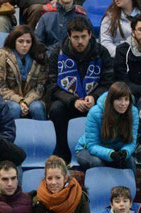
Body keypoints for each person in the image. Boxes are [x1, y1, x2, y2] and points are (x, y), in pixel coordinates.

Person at [46, 17, 114, 162]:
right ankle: (63, 154)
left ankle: (101, 150)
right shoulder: (56, 53)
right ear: (69, 36)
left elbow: (108, 83)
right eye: (76, 37)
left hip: (93, 101)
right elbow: (51, 86)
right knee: (56, 109)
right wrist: (72, 100)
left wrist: (95, 97)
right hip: (67, 101)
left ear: (90, 35)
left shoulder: (102, 53)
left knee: (107, 107)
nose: (80, 41)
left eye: (83, 36)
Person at [75, 81, 138, 171]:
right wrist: (110, 154)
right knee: (98, 162)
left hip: (116, 151)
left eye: (126, 99)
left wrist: (125, 152)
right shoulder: (95, 113)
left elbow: (131, 142)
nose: (123, 103)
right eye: (119, 99)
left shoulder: (133, 112)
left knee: (130, 161)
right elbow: (92, 145)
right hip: (86, 150)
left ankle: (130, 185)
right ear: (111, 100)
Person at [0, 25, 48, 120]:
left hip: (32, 99)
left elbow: (40, 86)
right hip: (9, 98)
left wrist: (26, 102)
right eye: (20, 41)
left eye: (28, 42)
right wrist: (19, 101)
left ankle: (41, 134)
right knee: (15, 108)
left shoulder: (39, 56)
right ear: (14, 41)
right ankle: (10, 134)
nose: (24, 45)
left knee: (37, 108)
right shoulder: (3, 55)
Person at [114, 14, 141, 101]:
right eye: (140, 29)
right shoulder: (122, 51)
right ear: (133, 32)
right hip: (128, 96)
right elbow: (121, 82)